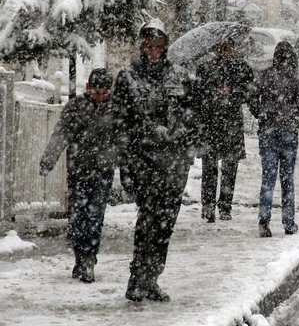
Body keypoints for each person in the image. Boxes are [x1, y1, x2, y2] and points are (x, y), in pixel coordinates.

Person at [112, 18, 196, 302]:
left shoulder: (179, 76)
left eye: (158, 45)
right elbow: (120, 123)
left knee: (165, 224)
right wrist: (126, 164)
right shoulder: (128, 77)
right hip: (143, 161)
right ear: (141, 45)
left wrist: (183, 143)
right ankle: (137, 278)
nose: (153, 51)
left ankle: (152, 278)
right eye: (149, 45)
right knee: (147, 221)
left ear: (166, 46)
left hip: (173, 163)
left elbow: (190, 116)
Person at [39, 68, 116, 283]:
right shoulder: (76, 107)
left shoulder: (116, 109)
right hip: (79, 171)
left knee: (95, 218)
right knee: (78, 217)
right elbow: (61, 134)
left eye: (105, 92)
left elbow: (124, 140)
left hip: (103, 171)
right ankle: (81, 257)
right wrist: (49, 159)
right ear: (89, 88)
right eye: (97, 91)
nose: (101, 96)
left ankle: (89, 259)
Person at [250, 41, 299, 238]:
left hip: (268, 131)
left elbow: (251, 97)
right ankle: (288, 221)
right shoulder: (296, 78)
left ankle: (264, 220)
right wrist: (293, 120)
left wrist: (261, 114)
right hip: (288, 133)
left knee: (268, 178)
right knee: (287, 178)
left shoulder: (265, 75)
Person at [193, 39, 254, 222]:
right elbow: (198, 95)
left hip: (231, 124)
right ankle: (208, 207)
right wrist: (214, 96)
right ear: (217, 49)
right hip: (211, 124)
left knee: (229, 168)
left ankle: (225, 206)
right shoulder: (205, 68)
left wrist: (232, 95)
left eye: (229, 48)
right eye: (223, 48)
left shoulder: (242, 68)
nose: (227, 52)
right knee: (209, 168)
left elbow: (248, 91)